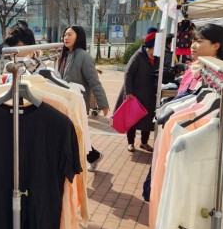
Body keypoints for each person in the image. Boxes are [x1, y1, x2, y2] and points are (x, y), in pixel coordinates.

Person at [58, 25, 109, 171]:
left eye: (69, 35)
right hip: (65, 102)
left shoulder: (83, 57)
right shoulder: (65, 55)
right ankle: (93, 156)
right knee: (73, 135)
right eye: (64, 35)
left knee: (74, 135)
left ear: (78, 37)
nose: (66, 37)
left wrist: (103, 104)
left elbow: (94, 82)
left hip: (78, 104)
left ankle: (90, 157)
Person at [114, 31, 158, 153]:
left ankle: (144, 143)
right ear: (151, 46)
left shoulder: (158, 58)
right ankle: (131, 143)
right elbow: (128, 73)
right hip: (135, 94)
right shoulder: (138, 56)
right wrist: (129, 92)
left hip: (150, 94)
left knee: (148, 119)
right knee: (132, 119)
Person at [176, 23, 223, 96]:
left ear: (216, 45)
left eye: (199, 41)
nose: (193, 46)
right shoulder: (195, 66)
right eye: (193, 41)